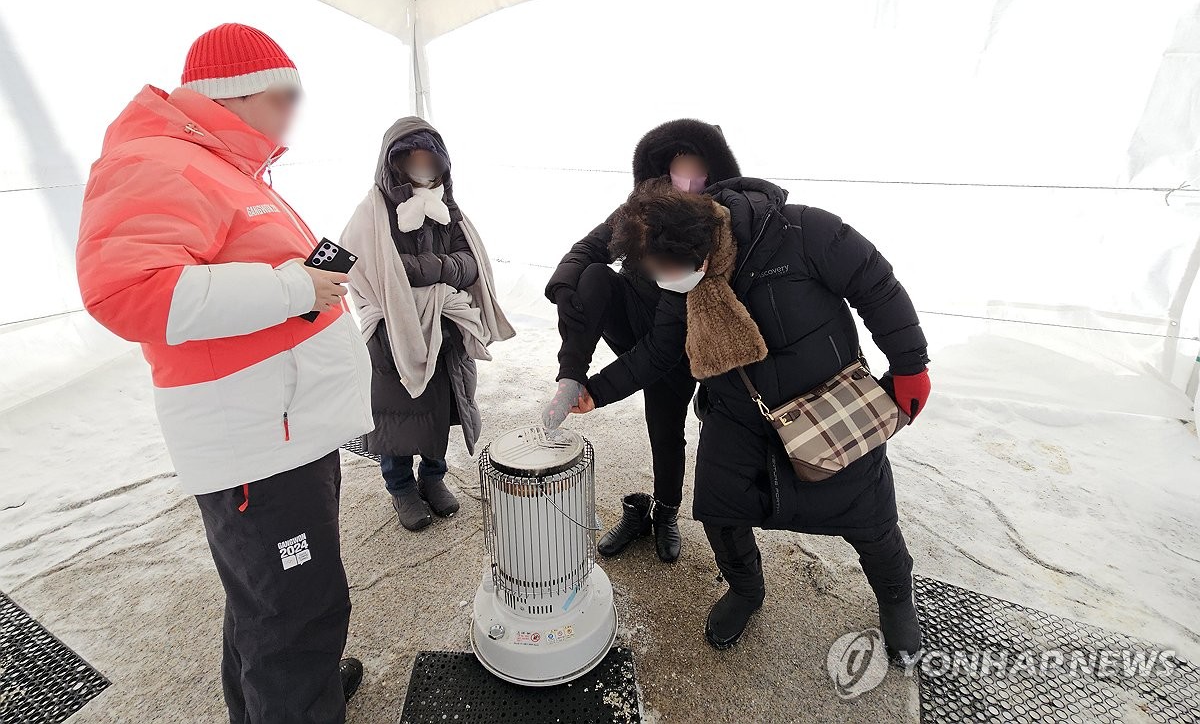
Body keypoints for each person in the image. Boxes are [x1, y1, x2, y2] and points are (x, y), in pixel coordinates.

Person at [76, 23, 372, 723]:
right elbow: (125, 290)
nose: (295, 111)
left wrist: (305, 287)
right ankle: (297, 696)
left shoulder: (222, 166)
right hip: (256, 443)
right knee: (297, 606)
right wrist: (296, 289)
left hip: (283, 430)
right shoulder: (160, 162)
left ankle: (288, 694)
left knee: (267, 598)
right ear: (236, 95)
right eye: (286, 95)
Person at [564, 177, 932, 656]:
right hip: (738, 413)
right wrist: (595, 389)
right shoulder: (685, 285)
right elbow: (659, 351)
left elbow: (877, 286)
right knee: (719, 511)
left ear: (694, 246)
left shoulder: (801, 231)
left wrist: (909, 366)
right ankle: (745, 589)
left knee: (869, 517)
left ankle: (896, 601)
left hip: (826, 406)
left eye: (664, 267)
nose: (662, 280)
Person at [541, 119, 741, 564]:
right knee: (591, 277)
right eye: (677, 169)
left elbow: (672, 340)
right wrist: (564, 286)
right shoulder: (642, 206)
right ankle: (569, 379)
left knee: (665, 431)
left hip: (680, 344)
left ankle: (664, 513)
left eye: (697, 169)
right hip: (633, 319)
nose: (686, 179)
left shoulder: (719, 222)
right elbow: (588, 247)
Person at [341, 117, 514, 532]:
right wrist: (434, 274)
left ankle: (432, 479)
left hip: (445, 326)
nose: (421, 166)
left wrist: (425, 274)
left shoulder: (448, 208)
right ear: (393, 163)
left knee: (441, 406)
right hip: (391, 329)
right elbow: (371, 269)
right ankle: (400, 488)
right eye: (411, 158)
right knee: (396, 414)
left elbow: (469, 263)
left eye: (428, 159)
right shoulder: (371, 212)